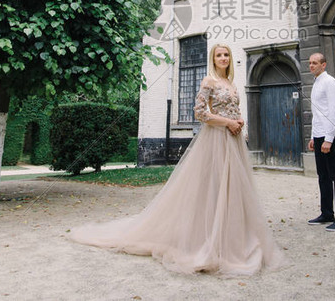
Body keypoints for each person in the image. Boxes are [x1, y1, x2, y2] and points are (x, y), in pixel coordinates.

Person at [70, 43, 285, 275]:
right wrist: (228, 123)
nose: (223, 58)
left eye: (226, 55)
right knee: (212, 186)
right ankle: (206, 239)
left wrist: (239, 122)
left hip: (233, 141)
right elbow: (200, 113)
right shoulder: (208, 82)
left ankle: (233, 238)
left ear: (230, 59)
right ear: (213, 60)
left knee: (234, 189)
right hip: (215, 141)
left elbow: (232, 111)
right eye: (219, 55)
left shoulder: (231, 84)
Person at [307, 52, 335, 232]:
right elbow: (317, 113)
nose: (311, 66)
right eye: (310, 63)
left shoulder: (329, 82)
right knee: (323, 176)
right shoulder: (316, 83)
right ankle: (327, 213)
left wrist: (329, 139)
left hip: (328, 136)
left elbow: (333, 112)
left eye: (315, 63)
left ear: (324, 65)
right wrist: (312, 136)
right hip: (318, 135)